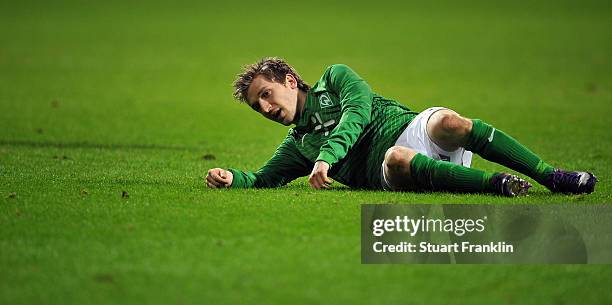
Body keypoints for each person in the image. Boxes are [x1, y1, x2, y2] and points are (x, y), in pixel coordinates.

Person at [205, 57, 597, 196]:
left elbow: (356, 114)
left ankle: (553, 176)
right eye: (259, 106)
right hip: (393, 170)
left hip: (413, 129)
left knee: (450, 122)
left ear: (290, 80)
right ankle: (497, 185)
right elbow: (262, 180)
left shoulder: (336, 78)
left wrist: (328, 157)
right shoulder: (298, 145)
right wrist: (231, 178)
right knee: (396, 158)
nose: (266, 107)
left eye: (267, 94)